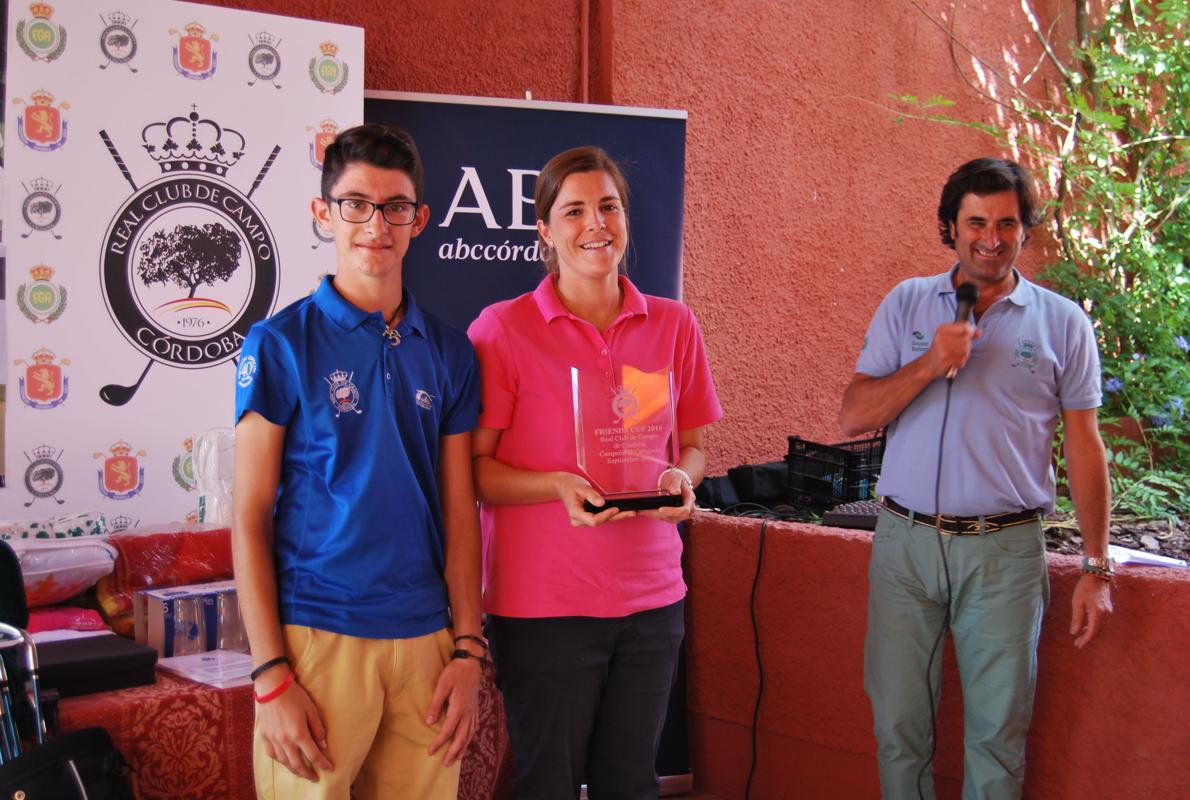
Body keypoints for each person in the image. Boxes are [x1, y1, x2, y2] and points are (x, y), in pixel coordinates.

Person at [838, 157, 1114, 799]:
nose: (991, 238)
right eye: (976, 222)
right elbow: (854, 414)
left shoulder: (1062, 322)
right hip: (905, 546)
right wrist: (931, 361)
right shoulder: (907, 302)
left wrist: (1097, 569)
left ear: (1025, 231)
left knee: (997, 735)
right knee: (899, 728)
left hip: (1005, 551)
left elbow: (1085, 445)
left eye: (1007, 224)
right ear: (951, 227)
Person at [232, 123, 485, 800]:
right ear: (324, 212)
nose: (376, 224)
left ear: (420, 218)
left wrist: (468, 648)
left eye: (396, 206)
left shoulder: (452, 352)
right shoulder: (281, 343)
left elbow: (462, 512)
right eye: (355, 204)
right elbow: (249, 516)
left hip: (428, 642)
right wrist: (270, 675)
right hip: (318, 635)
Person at [467, 146, 722, 799]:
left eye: (608, 206)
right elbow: (476, 471)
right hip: (543, 603)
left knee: (631, 785)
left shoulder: (673, 324)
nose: (595, 223)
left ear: (627, 219)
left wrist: (682, 480)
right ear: (545, 231)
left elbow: (691, 447)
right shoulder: (503, 330)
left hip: (651, 597)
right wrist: (555, 486)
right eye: (574, 210)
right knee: (545, 786)